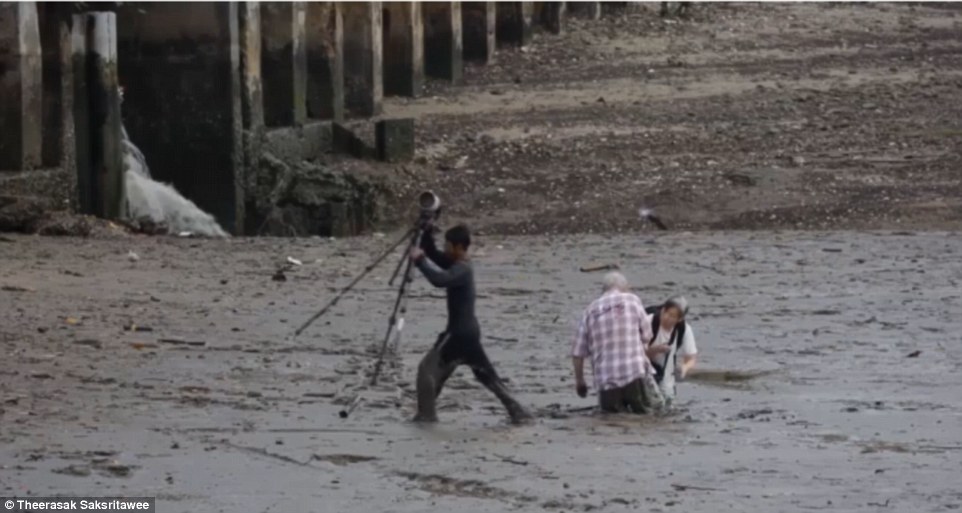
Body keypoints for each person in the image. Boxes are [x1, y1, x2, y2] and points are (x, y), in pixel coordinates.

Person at [408, 223, 532, 424]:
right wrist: (426, 234)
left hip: (457, 333)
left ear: (459, 247)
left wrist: (420, 260)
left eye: (448, 246)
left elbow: (440, 279)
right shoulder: (458, 263)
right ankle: (519, 413)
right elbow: (434, 255)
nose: (446, 249)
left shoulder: (462, 269)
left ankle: (426, 416)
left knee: (426, 371)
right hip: (470, 333)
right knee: (487, 377)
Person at [571, 272, 664, 414]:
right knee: (645, 415)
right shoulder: (632, 300)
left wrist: (580, 381)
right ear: (625, 287)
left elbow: (578, 352)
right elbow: (647, 335)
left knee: (611, 419)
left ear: (604, 289)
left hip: (605, 379)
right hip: (634, 373)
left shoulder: (589, 310)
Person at [644, 296, 698, 407]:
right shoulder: (649, 321)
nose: (667, 318)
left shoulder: (684, 330)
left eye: (672, 316)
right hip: (643, 368)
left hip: (666, 371)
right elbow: (633, 352)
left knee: (667, 403)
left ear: (679, 319)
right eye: (666, 312)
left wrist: (684, 368)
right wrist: (655, 350)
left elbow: (691, 357)